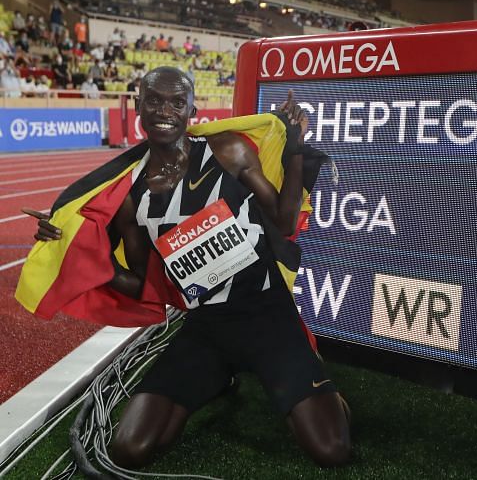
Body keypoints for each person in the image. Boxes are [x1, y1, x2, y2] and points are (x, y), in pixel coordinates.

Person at [26, 67, 351, 470]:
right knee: (130, 448)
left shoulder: (225, 151)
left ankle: (314, 379)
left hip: (268, 317)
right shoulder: (131, 194)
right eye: (155, 100)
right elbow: (142, 282)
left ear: (191, 109)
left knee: (331, 450)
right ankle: (220, 377)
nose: (165, 110)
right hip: (206, 330)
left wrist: (295, 147)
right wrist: (78, 256)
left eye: (176, 101)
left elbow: (283, 223)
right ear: (138, 106)